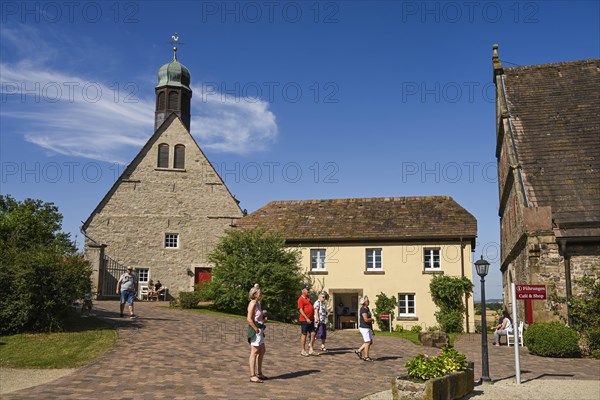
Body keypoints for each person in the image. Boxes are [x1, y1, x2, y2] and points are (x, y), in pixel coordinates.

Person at [246, 283, 267, 383]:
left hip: (260, 329)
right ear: (254, 294)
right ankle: (252, 375)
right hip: (256, 330)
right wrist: (256, 329)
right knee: (254, 352)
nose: (261, 294)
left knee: (262, 350)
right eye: (259, 293)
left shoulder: (258, 303)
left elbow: (257, 316)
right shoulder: (252, 303)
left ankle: (259, 373)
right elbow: (249, 319)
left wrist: (263, 318)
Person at [354, 295, 375, 361]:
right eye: (367, 300)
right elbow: (365, 319)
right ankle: (366, 357)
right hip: (364, 328)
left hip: (368, 327)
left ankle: (358, 351)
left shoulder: (367, 308)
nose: (369, 301)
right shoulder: (363, 309)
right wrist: (371, 319)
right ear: (364, 302)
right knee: (367, 342)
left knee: (370, 342)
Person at [298, 285, 316, 356]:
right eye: (307, 290)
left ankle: (311, 349)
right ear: (303, 291)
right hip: (304, 320)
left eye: (309, 290)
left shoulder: (308, 298)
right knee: (304, 334)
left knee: (313, 333)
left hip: (311, 319)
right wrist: (306, 318)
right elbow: (301, 310)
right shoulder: (301, 299)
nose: (309, 291)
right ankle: (303, 350)